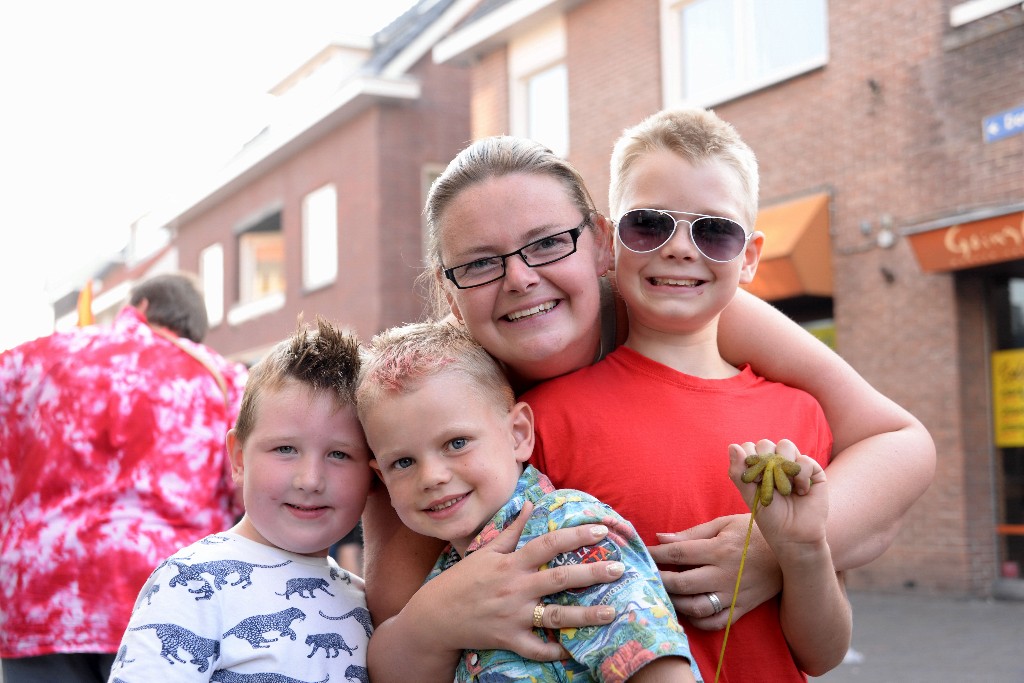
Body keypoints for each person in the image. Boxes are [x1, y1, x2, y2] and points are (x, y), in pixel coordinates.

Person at [362, 135, 934, 681]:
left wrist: (766, 550)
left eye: (546, 244)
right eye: (480, 264)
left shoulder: (686, 316)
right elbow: (396, 621)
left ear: (601, 245)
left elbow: (898, 445)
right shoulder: (425, 405)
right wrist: (439, 617)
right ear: (447, 290)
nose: (520, 278)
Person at [523, 106, 850, 679]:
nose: (679, 247)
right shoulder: (546, 420)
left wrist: (800, 553)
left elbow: (821, 653)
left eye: (715, 231)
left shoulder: (801, 417)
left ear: (749, 257)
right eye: (648, 224)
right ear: (607, 241)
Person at [356, 320, 702, 682]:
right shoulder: (440, 579)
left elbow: (655, 664)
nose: (432, 477)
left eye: (456, 443)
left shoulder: (568, 528)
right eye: (403, 462)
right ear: (381, 476)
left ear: (518, 434)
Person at [0, 273, 248, 683]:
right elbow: (244, 490)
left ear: (142, 307)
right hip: (167, 599)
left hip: (43, 593)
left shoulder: (43, 356)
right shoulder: (223, 380)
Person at [108, 318, 374, 682]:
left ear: (373, 471)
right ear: (239, 459)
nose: (310, 480)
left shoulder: (362, 601)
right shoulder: (189, 582)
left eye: (340, 455)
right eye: (285, 449)